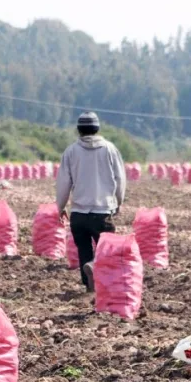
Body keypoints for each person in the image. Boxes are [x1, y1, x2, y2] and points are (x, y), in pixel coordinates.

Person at [56, 112, 127, 292]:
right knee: (106, 250)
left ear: (79, 130)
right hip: (102, 212)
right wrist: (119, 201)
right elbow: (120, 178)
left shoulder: (71, 151)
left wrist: (60, 206)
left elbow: (64, 181)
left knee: (84, 250)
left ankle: (90, 287)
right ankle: (95, 269)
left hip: (78, 213)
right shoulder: (110, 150)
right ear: (97, 129)